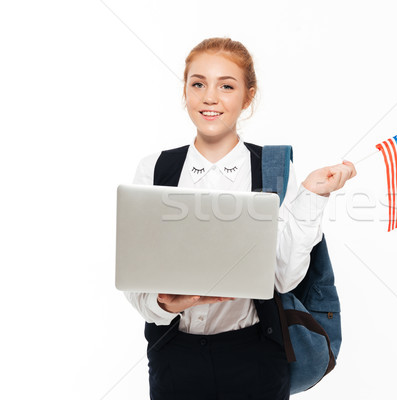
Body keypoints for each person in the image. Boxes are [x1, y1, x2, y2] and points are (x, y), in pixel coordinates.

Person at [124, 37, 356, 400]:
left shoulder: (273, 168)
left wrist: (313, 195)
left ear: (248, 97)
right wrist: (167, 304)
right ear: (185, 91)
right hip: (174, 358)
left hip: (256, 358)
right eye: (198, 83)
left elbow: (282, 277)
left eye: (226, 86)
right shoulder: (155, 169)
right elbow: (136, 279)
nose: (209, 97)